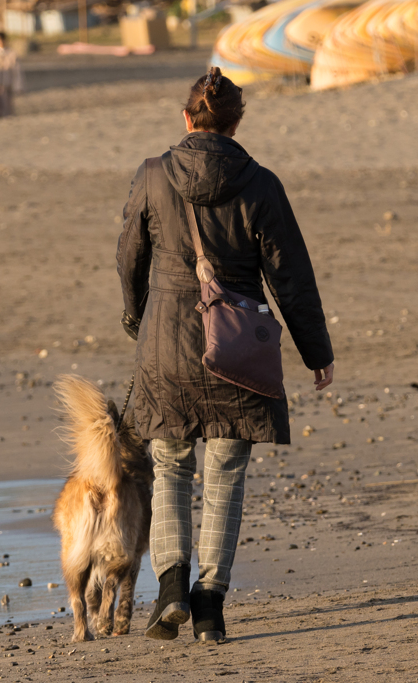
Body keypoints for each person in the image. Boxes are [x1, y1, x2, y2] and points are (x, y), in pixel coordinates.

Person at [117, 66, 334, 644]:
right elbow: (291, 277)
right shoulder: (261, 183)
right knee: (226, 475)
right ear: (235, 124)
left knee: (169, 466)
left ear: (188, 119)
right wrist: (317, 350)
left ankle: (170, 590)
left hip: (165, 342)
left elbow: (128, 257)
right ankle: (209, 606)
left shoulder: (152, 174)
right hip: (237, 345)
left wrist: (137, 316)